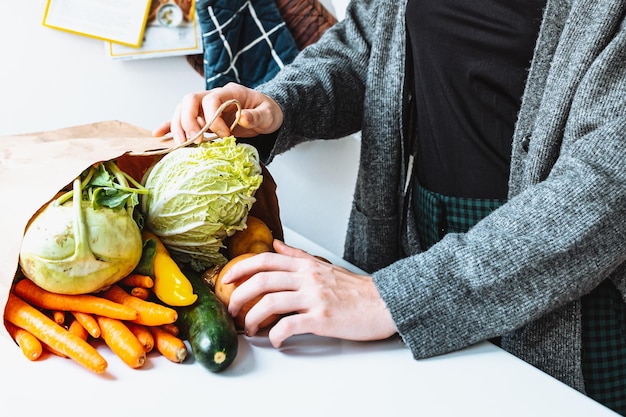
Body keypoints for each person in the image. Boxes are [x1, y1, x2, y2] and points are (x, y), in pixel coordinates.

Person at [153, 0, 626, 413]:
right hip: (416, 243)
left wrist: (387, 298)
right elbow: (367, 45)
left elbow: (607, 183)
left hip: (571, 291)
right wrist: (277, 107)